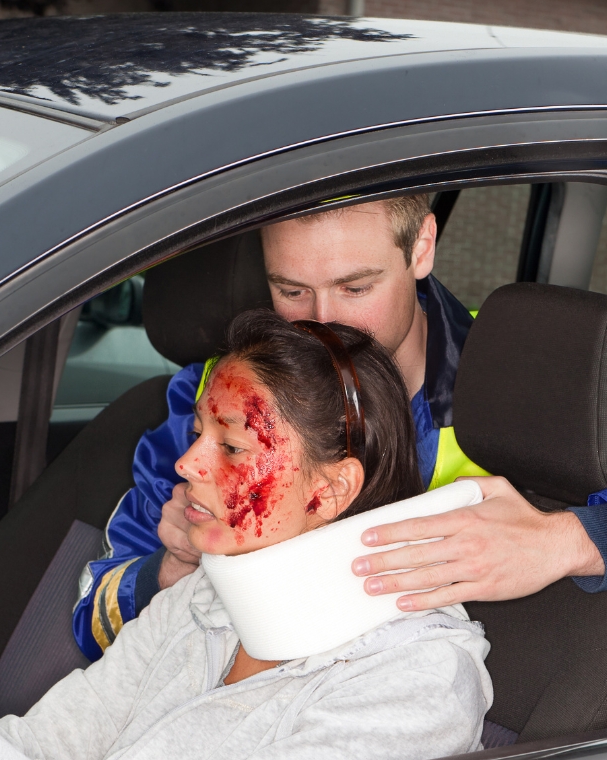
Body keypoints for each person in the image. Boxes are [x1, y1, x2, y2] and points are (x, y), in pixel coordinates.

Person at [0, 312, 492, 760]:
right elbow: (41, 752)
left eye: (232, 447)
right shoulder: (205, 599)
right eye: (195, 437)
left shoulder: (415, 685)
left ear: (329, 491)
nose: (186, 466)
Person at [74, 195, 607, 660]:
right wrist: (172, 568)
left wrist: (574, 540)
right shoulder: (211, 406)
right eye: (291, 291)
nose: (320, 326)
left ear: (421, 247)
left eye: (354, 288)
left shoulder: (532, 397)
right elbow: (92, 621)